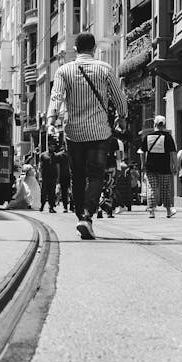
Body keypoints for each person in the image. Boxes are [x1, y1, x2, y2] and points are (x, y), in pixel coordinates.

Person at [47, 32, 127, 240]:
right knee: (96, 175)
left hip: (74, 133)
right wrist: (122, 117)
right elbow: (119, 99)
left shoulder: (64, 70)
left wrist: (51, 120)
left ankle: (80, 215)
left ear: (75, 49)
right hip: (100, 132)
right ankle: (87, 215)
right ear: (93, 48)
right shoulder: (105, 69)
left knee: (78, 176)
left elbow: (56, 97)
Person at [140, 115, 177, 219]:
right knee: (165, 188)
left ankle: (151, 211)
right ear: (164, 124)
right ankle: (168, 211)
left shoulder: (148, 137)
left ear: (154, 124)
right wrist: (175, 165)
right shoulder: (168, 137)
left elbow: (142, 152)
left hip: (150, 166)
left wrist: (143, 163)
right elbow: (173, 153)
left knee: (151, 188)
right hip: (164, 167)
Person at [38, 142, 57, 212]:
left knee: (52, 193)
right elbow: (40, 166)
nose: (53, 148)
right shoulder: (43, 155)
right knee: (44, 192)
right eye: (51, 147)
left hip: (53, 177)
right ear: (48, 147)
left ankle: (51, 207)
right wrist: (40, 176)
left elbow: (57, 166)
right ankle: (42, 206)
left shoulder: (55, 155)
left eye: (54, 147)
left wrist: (57, 177)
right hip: (45, 176)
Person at [54, 143, 72, 213]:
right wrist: (58, 178)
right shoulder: (59, 155)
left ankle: (72, 206)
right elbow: (57, 167)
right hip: (63, 175)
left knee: (72, 192)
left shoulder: (72, 154)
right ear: (63, 146)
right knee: (64, 191)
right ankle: (65, 207)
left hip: (72, 175)